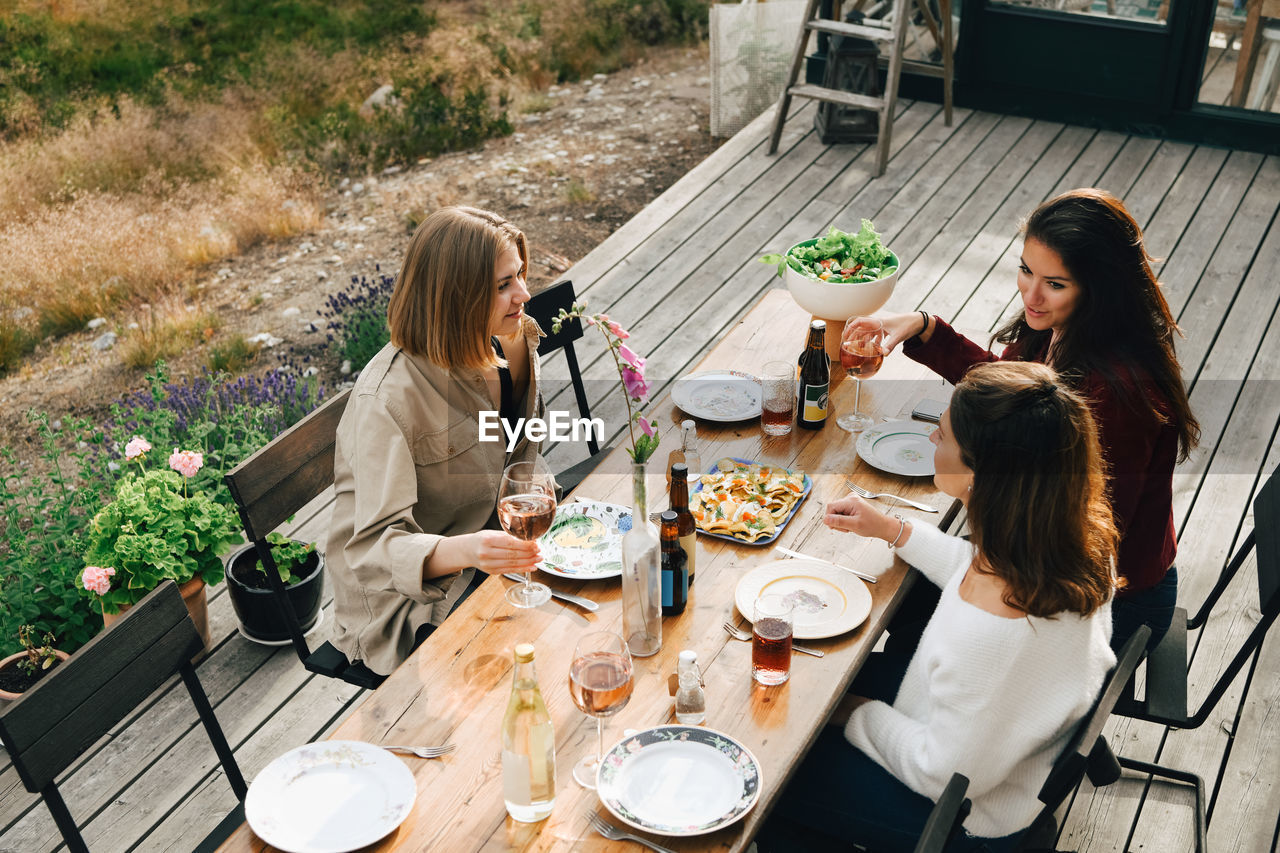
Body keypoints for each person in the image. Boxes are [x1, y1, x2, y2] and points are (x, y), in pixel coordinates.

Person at [764, 362, 1119, 852]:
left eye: (945, 435)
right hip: (989, 745)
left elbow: (939, 773)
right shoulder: (1067, 540)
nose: (932, 439)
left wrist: (856, 713)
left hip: (962, 818)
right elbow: (970, 565)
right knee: (815, 685)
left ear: (982, 472)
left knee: (774, 777)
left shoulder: (995, 629)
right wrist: (895, 530)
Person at [847, 187, 1199, 654]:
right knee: (906, 601)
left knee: (906, 606)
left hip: (1108, 603)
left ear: (1101, 290)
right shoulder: (1059, 329)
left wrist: (976, 485)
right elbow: (1008, 394)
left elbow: (1090, 534)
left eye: (1055, 284)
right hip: (1044, 561)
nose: (1031, 296)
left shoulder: (1118, 395)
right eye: (1026, 270)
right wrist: (925, 327)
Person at [327, 206, 549, 676]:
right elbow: (371, 551)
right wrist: (470, 550)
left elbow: (525, 447)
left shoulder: (512, 339)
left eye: (521, 275)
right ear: (455, 298)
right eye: (503, 285)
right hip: (408, 606)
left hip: (496, 553)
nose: (524, 295)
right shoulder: (385, 401)